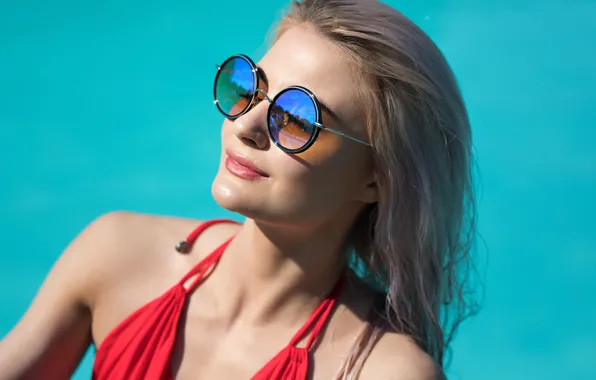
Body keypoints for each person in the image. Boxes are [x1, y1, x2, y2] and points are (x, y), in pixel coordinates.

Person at [0, 0, 479, 378]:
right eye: (249, 87)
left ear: (377, 176)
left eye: (296, 118)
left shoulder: (382, 372)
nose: (246, 124)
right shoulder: (117, 255)